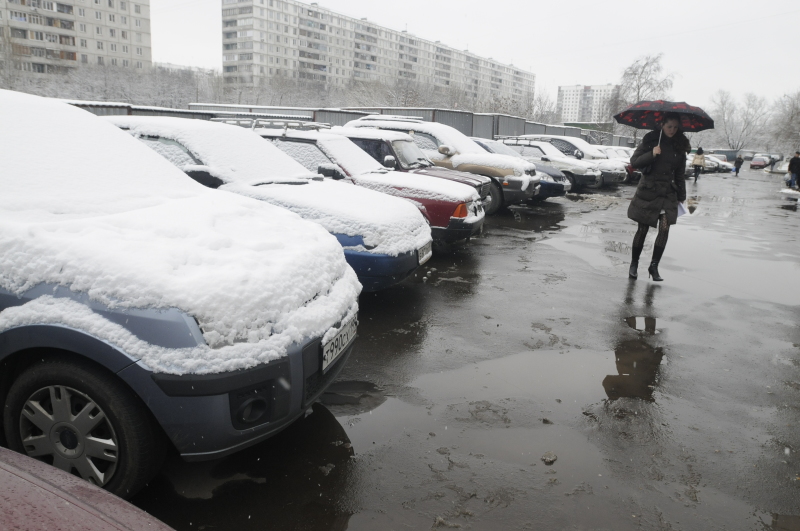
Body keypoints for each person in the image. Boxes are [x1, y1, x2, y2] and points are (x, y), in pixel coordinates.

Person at [627, 113, 689, 282]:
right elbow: (634, 162)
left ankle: (654, 266)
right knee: (643, 229)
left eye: (675, 127)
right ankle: (634, 264)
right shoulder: (651, 140)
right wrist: (652, 153)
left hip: (668, 193)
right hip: (649, 191)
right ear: (662, 124)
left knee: (664, 228)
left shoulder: (680, 145)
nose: (672, 130)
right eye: (669, 126)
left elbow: (680, 174)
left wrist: (682, 195)